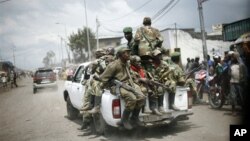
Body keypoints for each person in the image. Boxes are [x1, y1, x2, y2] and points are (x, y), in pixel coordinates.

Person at [94, 47, 145, 129]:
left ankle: (134, 118)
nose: (128, 54)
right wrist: (99, 79)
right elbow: (103, 78)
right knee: (132, 98)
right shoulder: (113, 65)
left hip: (129, 84)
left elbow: (131, 74)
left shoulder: (127, 63)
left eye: (129, 53)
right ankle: (124, 120)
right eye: (126, 53)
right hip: (118, 86)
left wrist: (139, 79)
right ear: (121, 55)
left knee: (142, 97)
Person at [228, 52, 247, 116]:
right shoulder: (231, 65)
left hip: (240, 83)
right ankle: (233, 111)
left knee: (242, 97)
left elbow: (244, 74)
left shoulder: (242, 65)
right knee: (233, 97)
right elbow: (229, 73)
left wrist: (244, 82)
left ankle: (243, 110)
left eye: (233, 57)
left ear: (236, 57)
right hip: (232, 83)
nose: (232, 58)